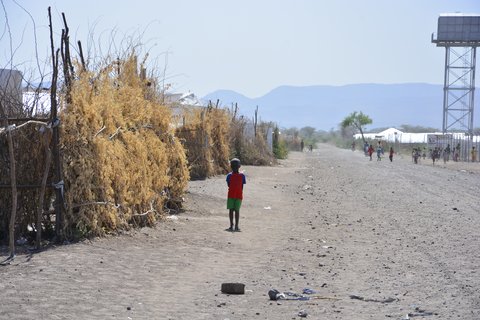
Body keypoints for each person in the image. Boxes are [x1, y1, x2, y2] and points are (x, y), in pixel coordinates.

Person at [226, 158, 246, 231]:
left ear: (231, 166)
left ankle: (231, 225)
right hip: (239, 195)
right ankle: (236, 226)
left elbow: (229, 185)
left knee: (231, 210)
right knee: (237, 211)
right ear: (239, 166)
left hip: (231, 195)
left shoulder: (229, 176)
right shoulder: (242, 176)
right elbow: (242, 186)